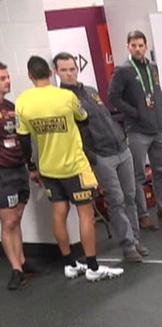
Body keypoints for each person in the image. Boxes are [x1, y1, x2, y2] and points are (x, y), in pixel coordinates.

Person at [16, 56, 122, 282]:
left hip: (48, 168)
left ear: (30, 76)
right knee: (86, 215)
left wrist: (32, 167)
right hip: (74, 166)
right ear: (51, 73)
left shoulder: (23, 101)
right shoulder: (66, 96)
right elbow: (83, 118)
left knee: (59, 213)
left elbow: (23, 140)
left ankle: (70, 264)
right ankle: (92, 267)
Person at [53, 52, 146, 264]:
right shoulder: (63, 100)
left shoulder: (90, 91)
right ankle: (128, 246)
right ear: (56, 72)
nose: (70, 74)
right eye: (64, 70)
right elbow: (75, 133)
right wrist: (93, 157)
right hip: (102, 156)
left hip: (121, 149)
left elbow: (105, 117)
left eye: (72, 69)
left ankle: (136, 239)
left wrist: (122, 137)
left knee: (131, 197)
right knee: (117, 200)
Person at [108, 31, 162, 230]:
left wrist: (161, 109)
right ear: (128, 46)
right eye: (133, 45)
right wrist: (134, 113)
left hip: (157, 128)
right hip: (137, 131)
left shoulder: (153, 67)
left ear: (146, 47)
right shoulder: (123, 70)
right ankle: (143, 215)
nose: (137, 49)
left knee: (161, 171)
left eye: (141, 45)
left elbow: (156, 91)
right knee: (137, 175)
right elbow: (113, 97)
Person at [1, 60, 37, 291]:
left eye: (7, 77)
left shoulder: (11, 106)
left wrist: (31, 166)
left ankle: (22, 261)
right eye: (2, 78)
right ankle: (15, 269)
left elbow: (22, 139)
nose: (8, 81)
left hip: (19, 169)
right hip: (2, 174)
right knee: (9, 221)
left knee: (18, 217)